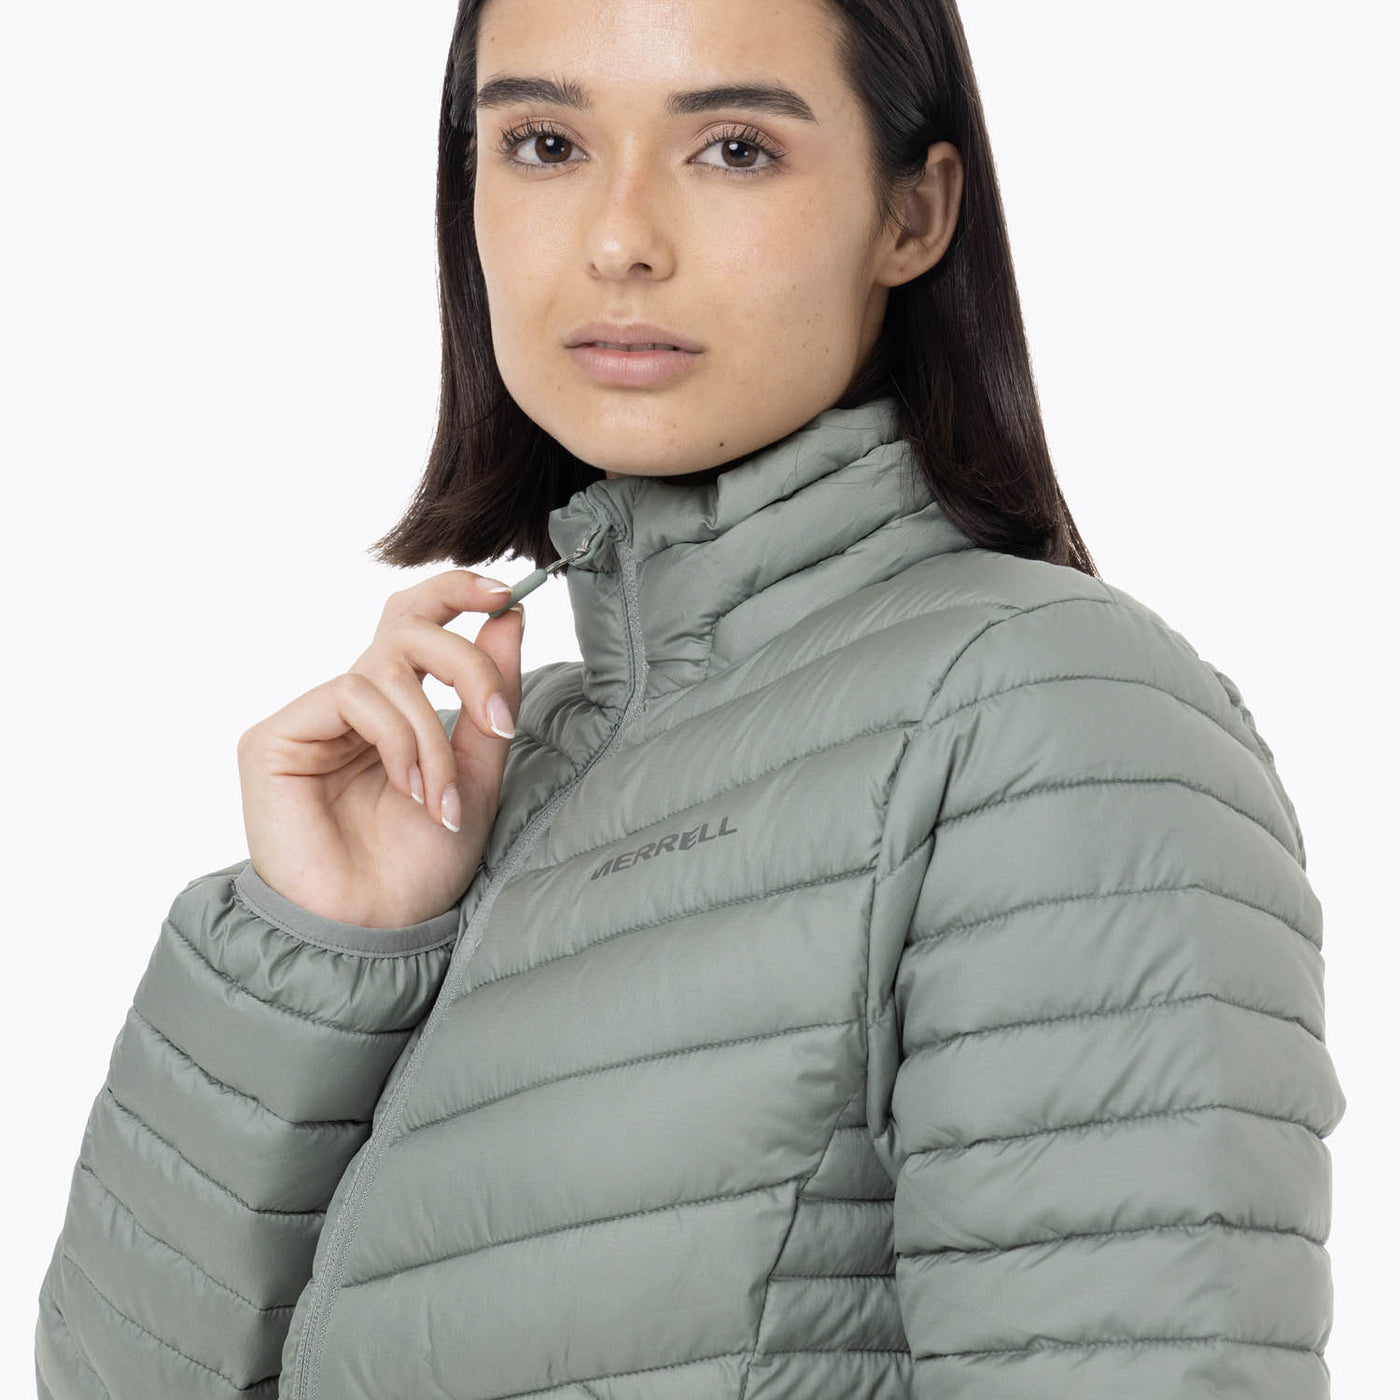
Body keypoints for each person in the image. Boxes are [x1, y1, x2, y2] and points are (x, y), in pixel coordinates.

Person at [34, 0, 1346, 1397]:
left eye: (733, 148)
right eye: (545, 144)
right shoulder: (500, 770)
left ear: (913, 213)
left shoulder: (1051, 720)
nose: (619, 241)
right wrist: (326, 947)